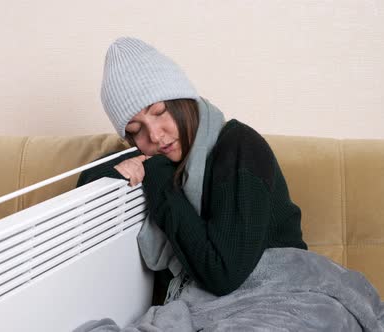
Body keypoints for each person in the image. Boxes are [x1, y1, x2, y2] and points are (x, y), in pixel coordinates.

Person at [76, 37, 307, 304]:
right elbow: (89, 181)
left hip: (283, 294)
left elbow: (223, 274)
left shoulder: (240, 148)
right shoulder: (156, 156)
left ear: (183, 101)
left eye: (160, 111)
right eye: (135, 130)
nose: (155, 135)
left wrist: (159, 176)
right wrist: (120, 172)